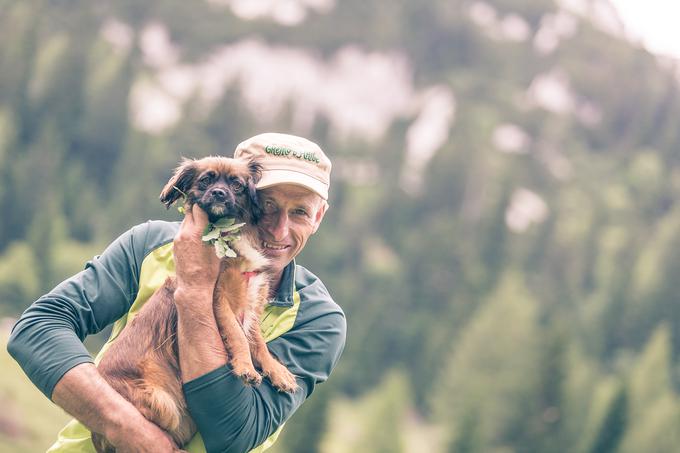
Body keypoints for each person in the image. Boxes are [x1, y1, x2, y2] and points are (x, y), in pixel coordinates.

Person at [7, 132, 346, 453]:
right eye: (268, 205)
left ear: (319, 216)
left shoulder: (317, 318)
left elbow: (235, 432)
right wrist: (124, 425)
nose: (279, 228)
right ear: (250, 201)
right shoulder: (151, 245)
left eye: (300, 211)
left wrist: (196, 290)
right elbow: (37, 329)